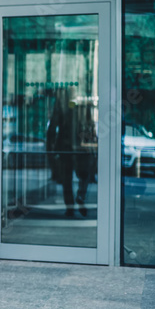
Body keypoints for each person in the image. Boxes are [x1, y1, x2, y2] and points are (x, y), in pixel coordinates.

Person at [46, 87, 96, 217]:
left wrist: (51, 147)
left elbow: (53, 126)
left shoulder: (64, 106)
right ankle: (80, 196)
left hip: (66, 147)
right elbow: (90, 126)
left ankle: (70, 206)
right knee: (83, 175)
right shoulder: (83, 106)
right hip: (79, 147)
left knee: (67, 179)